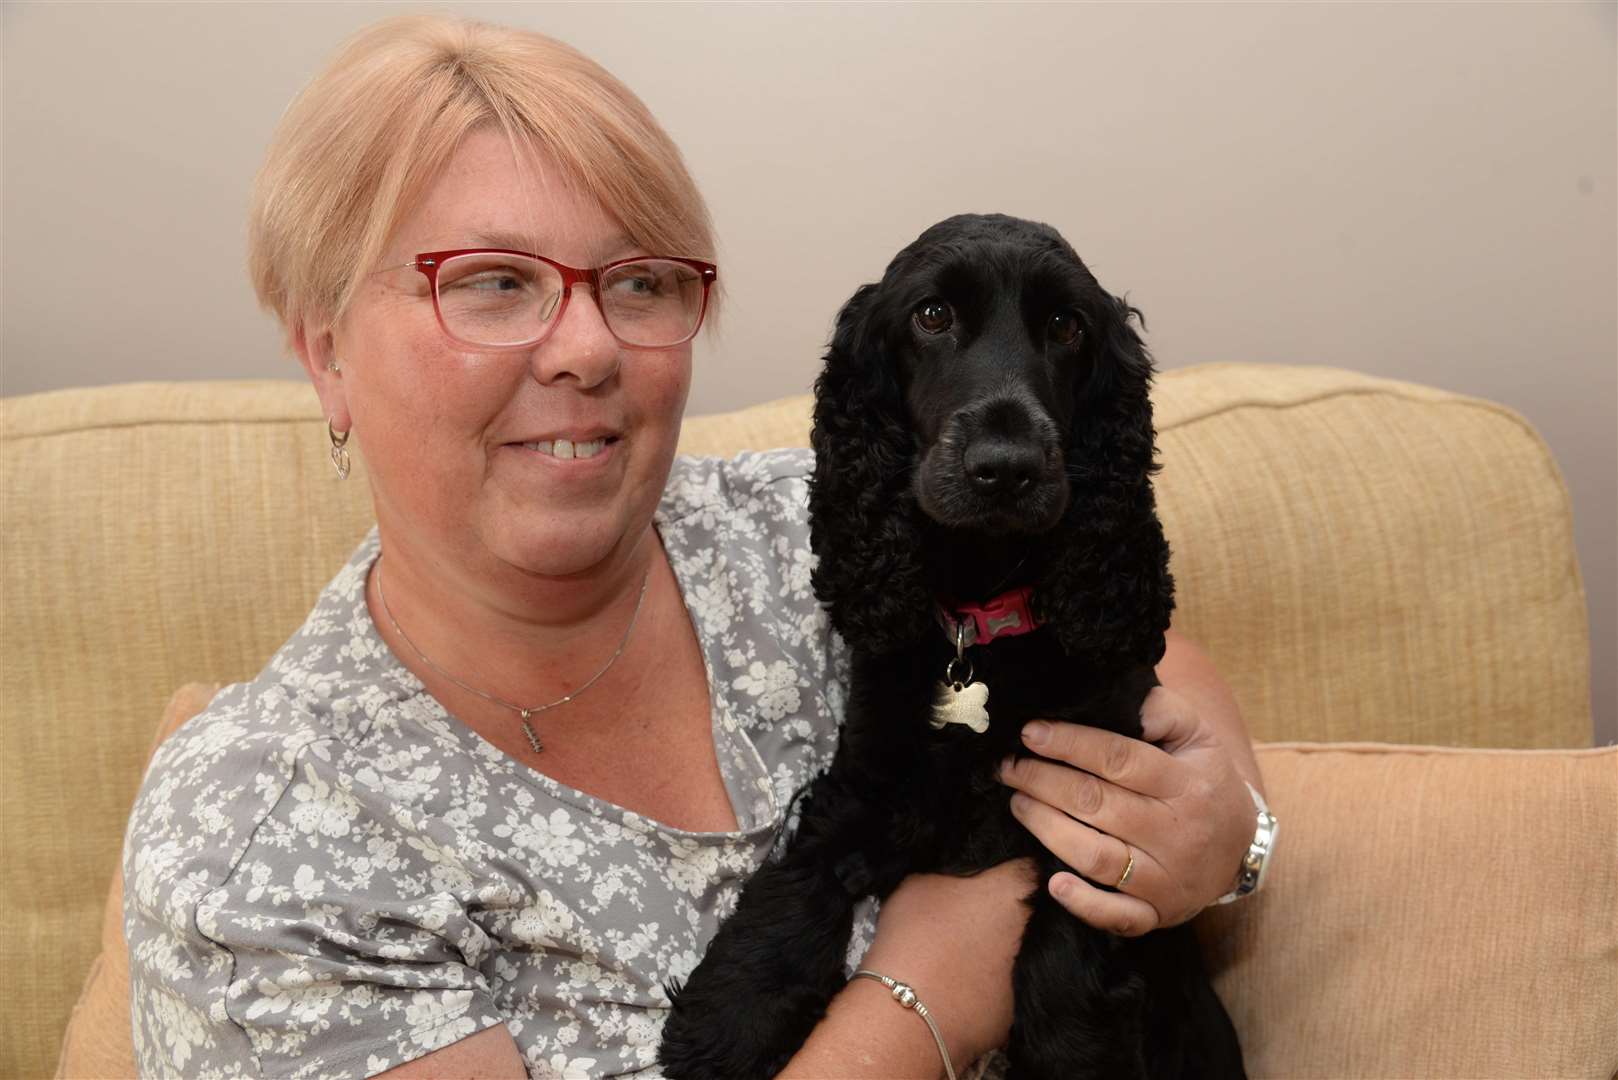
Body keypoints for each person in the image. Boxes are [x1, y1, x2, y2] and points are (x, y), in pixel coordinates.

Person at [122, 15, 1270, 1079]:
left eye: (638, 282)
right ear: (326, 353)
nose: (584, 347)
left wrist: (1225, 832)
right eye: (493, 283)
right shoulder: (262, 850)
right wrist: (921, 997)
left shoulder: (815, 519)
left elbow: (1148, 664)